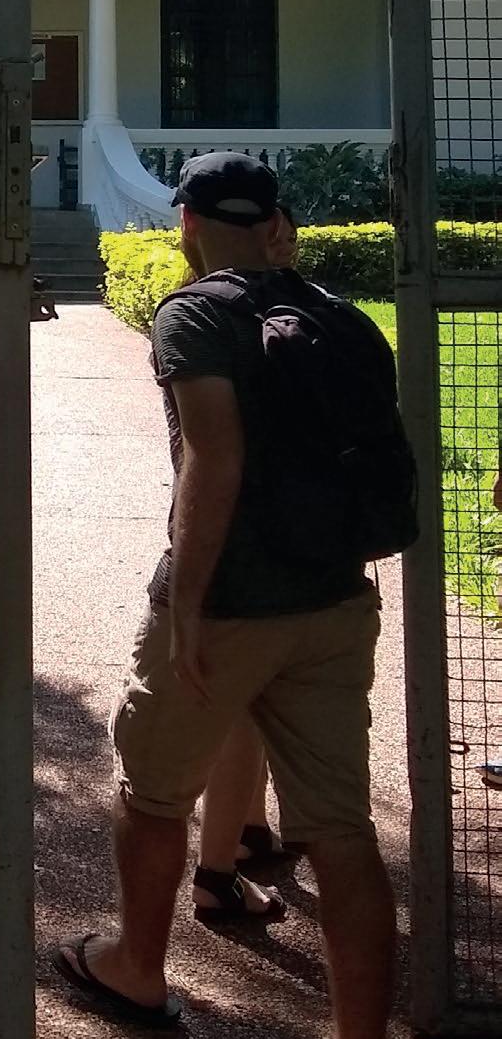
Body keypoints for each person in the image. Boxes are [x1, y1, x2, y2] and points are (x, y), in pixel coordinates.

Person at [53, 154, 403, 1039]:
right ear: (277, 225)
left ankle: (136, 964)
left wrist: (190, 607)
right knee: (342, 833)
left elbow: (215, 460)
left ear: (188, 225)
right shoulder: (342, 317)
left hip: (231, 603)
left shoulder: (194, 315)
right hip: (336, 600)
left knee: (153, 793)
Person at [194, 203, 301, 922]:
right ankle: (217, 864)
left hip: (270, 545)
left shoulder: (211, 312)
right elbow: (214, 460)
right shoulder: (214, 317)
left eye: (289, 233)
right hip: (250, 552)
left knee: (254, 703)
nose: (284, 244)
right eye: (275, 233)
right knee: (237, 707)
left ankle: (248, 827)